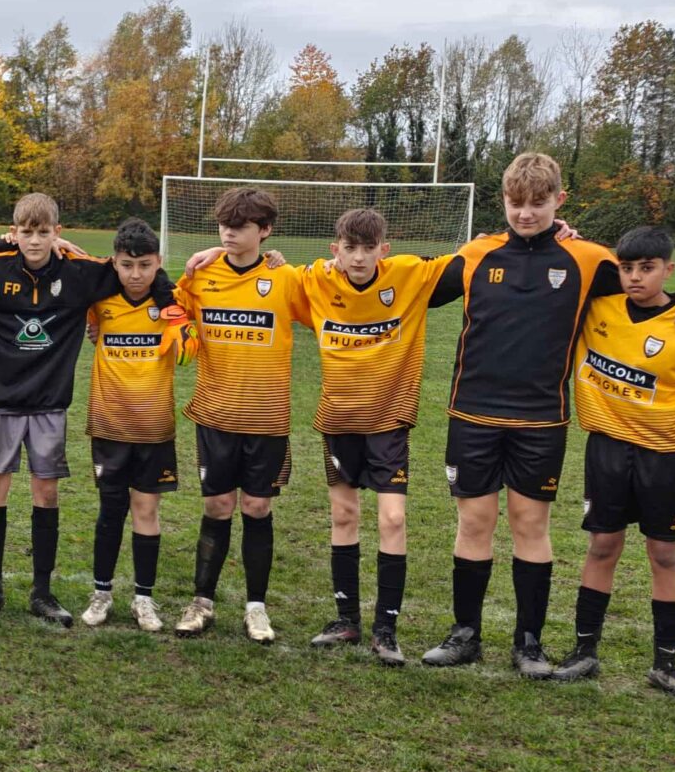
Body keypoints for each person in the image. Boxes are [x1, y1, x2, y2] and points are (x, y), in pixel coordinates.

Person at [420, 152, 675, 675]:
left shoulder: (588, 259)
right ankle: (465, 635)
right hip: (472, 415)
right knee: (474, 523)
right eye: (515, 202)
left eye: (538, 203)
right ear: (502, 200)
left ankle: (528, 643)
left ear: (560, 200)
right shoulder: (475, 254)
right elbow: (406, 291)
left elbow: (648, 291)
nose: (525, 213)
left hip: (541, 421)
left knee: (530, 526)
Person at [0, 193, 173, 625]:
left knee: (46, 493)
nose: (35, 241)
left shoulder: (79, 275)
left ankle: (43, 592)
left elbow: (138, 269)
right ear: (14, 232)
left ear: (57, 232)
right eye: (26, 232)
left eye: (43, 232)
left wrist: (166, 295)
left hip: (49, 405)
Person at [551, 225, 675, 702]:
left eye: (647, 268)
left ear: (669, 269)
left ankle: (665, 665)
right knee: (602, 546)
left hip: (666, 457)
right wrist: (564, 236)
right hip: (606, 449)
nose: (635, 277)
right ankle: (584, 652)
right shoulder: (598, 308)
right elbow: (569, 268)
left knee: (665, 554)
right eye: (627, 268)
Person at [298, 207, 449, 665]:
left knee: (393, 520)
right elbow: (262, 275)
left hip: (389, 420)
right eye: (350, 248)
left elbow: (477, 257)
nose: (359, 258)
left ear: (385, 249)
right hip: (338, 419)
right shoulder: (315, 280)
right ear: (335, 250)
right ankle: (346, 620)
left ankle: (386, 630)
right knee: (343, 515)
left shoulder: (411, 274)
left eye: (368, 248)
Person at [170, 188, 309, 642]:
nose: (228, 233)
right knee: (217, 505)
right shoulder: (201, 274)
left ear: (265, 231)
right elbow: (168, 310)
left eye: (240, 226)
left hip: (266, 416)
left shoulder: (285, 278)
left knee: (256, 506)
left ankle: (256, 608)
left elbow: (330, 302)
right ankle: (202, 603)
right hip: (215, 412)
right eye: (223, 225)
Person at [80, 219, 185, 631]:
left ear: (158, 262)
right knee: (110, 510)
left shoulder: (174, 303)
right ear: (115, 263)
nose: (136, 274)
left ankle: (144, 598)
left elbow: (189, 347)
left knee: (146, 510)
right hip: (109, 425)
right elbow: (71, 260)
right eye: (127, 265)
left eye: (144, 265)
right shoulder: (99, 302)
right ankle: (101, 593)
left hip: (154, 427)